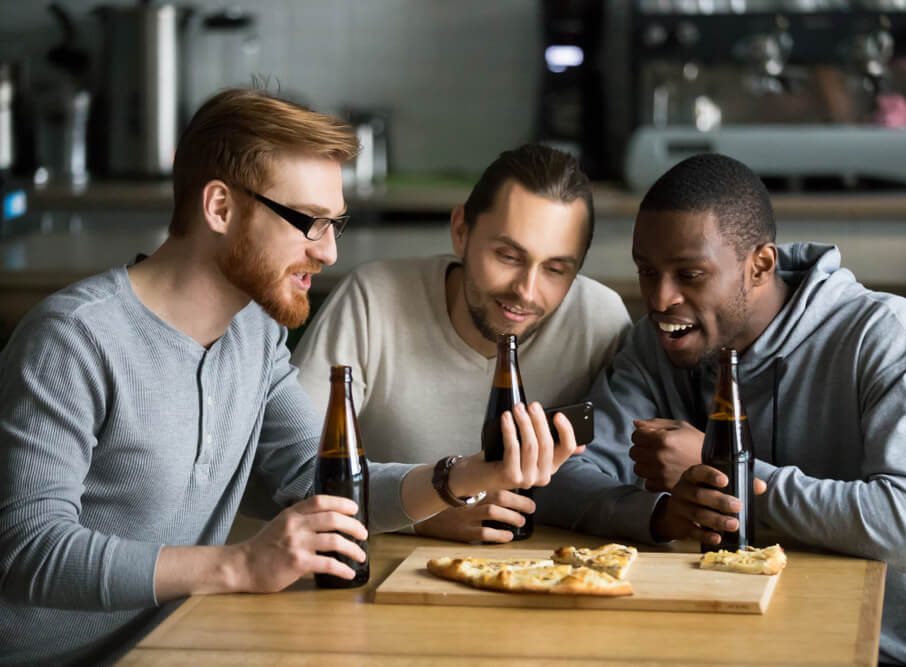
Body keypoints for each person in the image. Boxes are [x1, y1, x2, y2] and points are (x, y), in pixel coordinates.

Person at [0, 90, 583, 666]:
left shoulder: (253, 335)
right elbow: (27, 550)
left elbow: (320, 479)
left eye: (336, 225)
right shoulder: (73, 339)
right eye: (309, 222)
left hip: (174, 647)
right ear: (220, 208)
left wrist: (468, 476)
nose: (328, 252)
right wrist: (239, 565)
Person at [535, 153, 906, 666]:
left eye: (689, 274)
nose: (660, 299)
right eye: (648, 272)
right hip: (732, 643)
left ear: (760, 266)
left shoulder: (883, 336)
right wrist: (665, 514)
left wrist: (726, 477)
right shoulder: (658, 344)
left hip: (901, 652)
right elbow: (559, 472)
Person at [292, 144, 632, 543]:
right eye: (508, 255)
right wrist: (425, 513)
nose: (526, 290)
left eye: (556, 269)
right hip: (385, 573)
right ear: (460, 231)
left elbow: (625, 478)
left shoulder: (602, 321)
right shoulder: (371, 299)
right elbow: (292, 473)